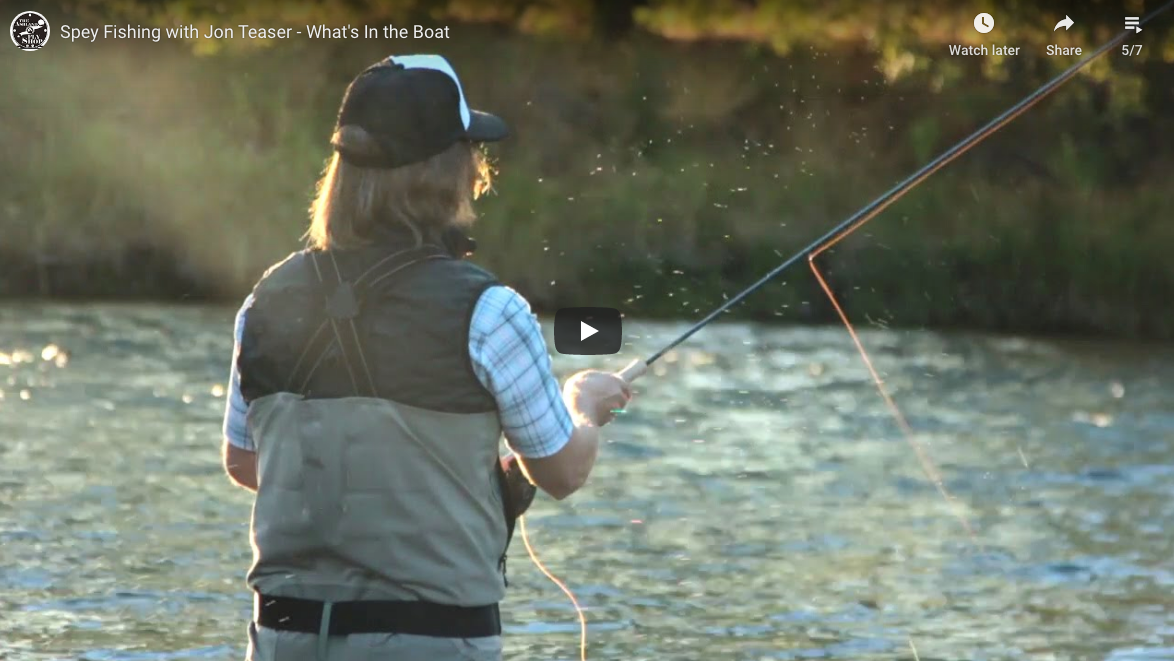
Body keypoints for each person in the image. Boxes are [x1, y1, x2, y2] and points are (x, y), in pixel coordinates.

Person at [218, 54, 642, 661]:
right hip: (432, 641)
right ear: (449, 173)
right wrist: (585, 405)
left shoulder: (266, 299)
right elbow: (563, 471)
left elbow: (245, 462)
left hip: (287, 637)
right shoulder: (489, 311)